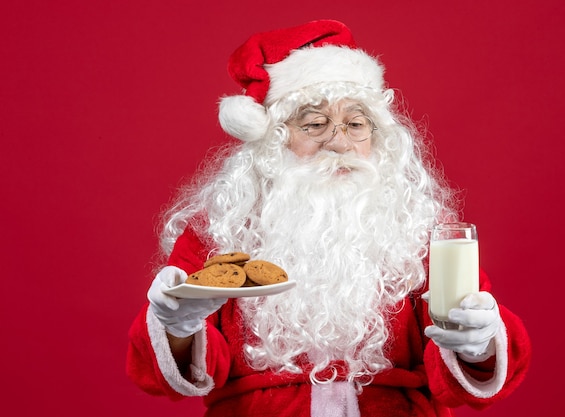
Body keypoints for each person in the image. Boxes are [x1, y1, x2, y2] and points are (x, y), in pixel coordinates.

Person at [126, 20, 531, 417]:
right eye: (315, 124)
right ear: (273, 140)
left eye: (356, 124)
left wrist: (478, 343)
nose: (339, 142)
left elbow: (472, 358)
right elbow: (168, 371)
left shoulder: (419, 224)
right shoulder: (221, 224)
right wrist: (177, 327)